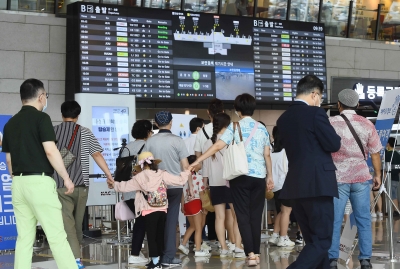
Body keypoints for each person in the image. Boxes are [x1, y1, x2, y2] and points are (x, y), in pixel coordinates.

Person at [190, 93, 274, 266]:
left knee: (242, 215)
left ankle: (250, 254)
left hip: (240, 177)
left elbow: (218, 146)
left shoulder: (234, 128)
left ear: (237, 111)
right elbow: (267, 154)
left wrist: (198, 160)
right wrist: (270, 176)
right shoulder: (261, 128)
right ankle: (257, 253)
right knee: (255, 216)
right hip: (259, 177)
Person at [1, 79, 77, 269]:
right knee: (57, 236)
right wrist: (66, 178)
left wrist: (18, 178)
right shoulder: (41, 119)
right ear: (41, 96)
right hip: (40, 182)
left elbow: (9, 160)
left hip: (18, 183)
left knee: (24, 238)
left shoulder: (10, 124)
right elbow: (51, 151)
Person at [276, 75, 341, 269]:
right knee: (321, 241)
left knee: (313, 240)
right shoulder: (315, 114)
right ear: (314, 94)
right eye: (319, 96)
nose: (319, 100)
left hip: (296, 185)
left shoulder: (283, 118)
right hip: (318, 184)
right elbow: (334, 143)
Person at [53, 101, 113, 269]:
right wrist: (109, 175)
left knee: (68, 222)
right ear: (77, 115)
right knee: (77, 222)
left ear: (61, 114)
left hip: (61, 184)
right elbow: (97, 155)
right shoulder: (85, 132)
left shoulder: (53, 131)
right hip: (81, 185)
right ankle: (76, 255)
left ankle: (75, 258)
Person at [328, 89, 382, 269]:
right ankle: (365, 259)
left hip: (338, 178)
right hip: (361, 177)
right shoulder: (367, 124)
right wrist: (378, 175)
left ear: (338, 104)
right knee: (363, 219)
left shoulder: (330, 123)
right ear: (358, 105)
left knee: (335, 219)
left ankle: (332, 259)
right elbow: (375, 153)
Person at [108, 152, 190, 269]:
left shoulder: (140, 177)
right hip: (162, 209)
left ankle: (155, 262)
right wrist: (186, 172)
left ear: (142, 166)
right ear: (153, 163)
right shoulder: (162, 174)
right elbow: (180, 181)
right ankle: (159, 260)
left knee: (151, 237)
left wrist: (114, 184)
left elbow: (125, 186)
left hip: (148, 210)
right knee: (160, 236)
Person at [143, 111, 193, 266]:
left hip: (156, 188)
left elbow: (145, 166)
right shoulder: (177, 141)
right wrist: (189, 186)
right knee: (171, 221)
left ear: (156, 124)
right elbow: (185, 166)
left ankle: (156, 256)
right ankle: (168, 257)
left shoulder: (150, 142)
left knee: (157, 222)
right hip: (175, 186)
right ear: (171, 122)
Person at [202, 112, 243, 258]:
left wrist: (205, 184)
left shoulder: (208, 143)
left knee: (219, 217)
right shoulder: (231, 139)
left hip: (215, 184)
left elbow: (205, 167)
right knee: (237, 215)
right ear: (227, 125)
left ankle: (224, 247)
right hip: (232, 182)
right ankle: (238, 246)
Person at [121, 119, 153, 264]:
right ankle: (135, 254)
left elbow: (121, 172)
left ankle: (136, 252)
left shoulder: (126, 148)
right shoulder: (148, 146)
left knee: (140, 220)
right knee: (143, 222)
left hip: (128, 191)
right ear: (147, 132)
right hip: (143, 191)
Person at [193, 99, 224, 247]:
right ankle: (228, 242)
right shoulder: (227, 129)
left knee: (210, 208)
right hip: (227, 176)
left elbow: (198, 157)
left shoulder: (202, 133)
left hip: (208, 175)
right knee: (228, 212)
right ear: (223, 112)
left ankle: (211, 239)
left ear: (208, 113)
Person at [268, 126, 295, 248]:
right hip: (286, 185)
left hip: (275, 186)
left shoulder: (271, 151)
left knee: (280, 211)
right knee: (286, 212)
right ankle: (283, 237)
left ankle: (275, 235)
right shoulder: (287, 151)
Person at [179, 155, 209, 257]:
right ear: (194, 165)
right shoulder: (199, 177)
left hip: (187, 204)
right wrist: (205, 206)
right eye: (199, 162)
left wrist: (182, 205)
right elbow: (201, 193)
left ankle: (183, 244)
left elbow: (182, 193)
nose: (200, 164)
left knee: (192, 226)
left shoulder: (183, 177)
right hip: (196, 203)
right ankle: (198, 249)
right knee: (199, 227)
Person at [385, 137, 400, 217]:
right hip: (396, 179)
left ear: (388, 144)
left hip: (390, 178)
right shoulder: (397, 154)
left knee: (392, 195)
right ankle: (395, 210)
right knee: (394, 194)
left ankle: (396, 211)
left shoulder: (388, 154)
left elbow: (385, 167)